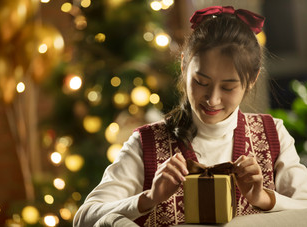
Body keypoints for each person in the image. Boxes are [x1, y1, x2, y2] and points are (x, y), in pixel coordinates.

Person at [73, 6, 307, 227]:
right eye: (201, 82)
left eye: (228, 87)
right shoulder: (146, 144)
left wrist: (263, 198)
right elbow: (83, 218)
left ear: (252, 79)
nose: (212, 99)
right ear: (184, 65)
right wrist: (149, 198)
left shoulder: (272, 133)